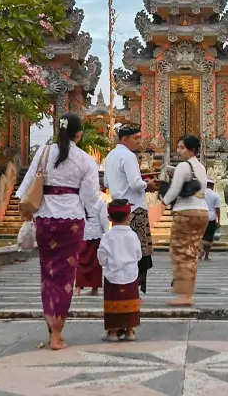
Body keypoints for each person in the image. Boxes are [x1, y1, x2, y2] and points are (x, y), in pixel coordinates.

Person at [14, 113, 100, 351]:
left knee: (48, 275)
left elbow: (25, 189)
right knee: (65, 279)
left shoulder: (43, 153)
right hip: (71, 222)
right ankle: (56, 334)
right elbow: (91, 199)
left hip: (44, 220)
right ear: (79, 134)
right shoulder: (85, 160)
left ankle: (52, 329)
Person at [102, 124, 157, 294]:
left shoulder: (110, 156)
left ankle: (120, 284)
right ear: (125, 139)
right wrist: (148, 184)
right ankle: (135, 285)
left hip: (118, 207)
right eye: (136, 138)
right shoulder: (128, 156)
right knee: (138, 250)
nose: (139, 142)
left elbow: (106, 183)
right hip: (135, 209)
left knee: (121, 249)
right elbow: (135, 183)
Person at [162, 135, 209, 307]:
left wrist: (163, 201)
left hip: (186, 211)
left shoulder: (183, 166)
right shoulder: (201, 167)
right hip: (202, 211)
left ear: (191, 150)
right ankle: (184, 290)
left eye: (182, 148)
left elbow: (174, 190)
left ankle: (185, 295)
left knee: (180, 252)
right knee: (191, 252)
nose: (179, 151)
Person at [98, 198, 142, 341]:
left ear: (109, 217)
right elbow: (138, 255)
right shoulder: (133, 236)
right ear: (129, 216)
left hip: (113, 276)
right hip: (131, 275)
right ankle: (130, 331)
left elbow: (102, 258)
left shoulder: (107, 236)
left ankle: (112, 332)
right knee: (130, 303)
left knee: (113, 304)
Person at [77, 195, 110, 296]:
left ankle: (77, 288)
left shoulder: (80, 200)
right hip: (96, 234)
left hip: (82, 233)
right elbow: (104, 219)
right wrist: (107, 233)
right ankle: (94, 288)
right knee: (95, 262)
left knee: (81, 261)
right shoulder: (100, 202)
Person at [200, 178, 221, 261]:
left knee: (200, 236)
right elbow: (217, 209)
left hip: (201, 217)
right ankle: (206, 256)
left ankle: (200, 249)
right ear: (212, 185)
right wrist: (218, 220)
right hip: (211, 218)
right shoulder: (215, 195)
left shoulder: (201, 194)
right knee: (209, 237)